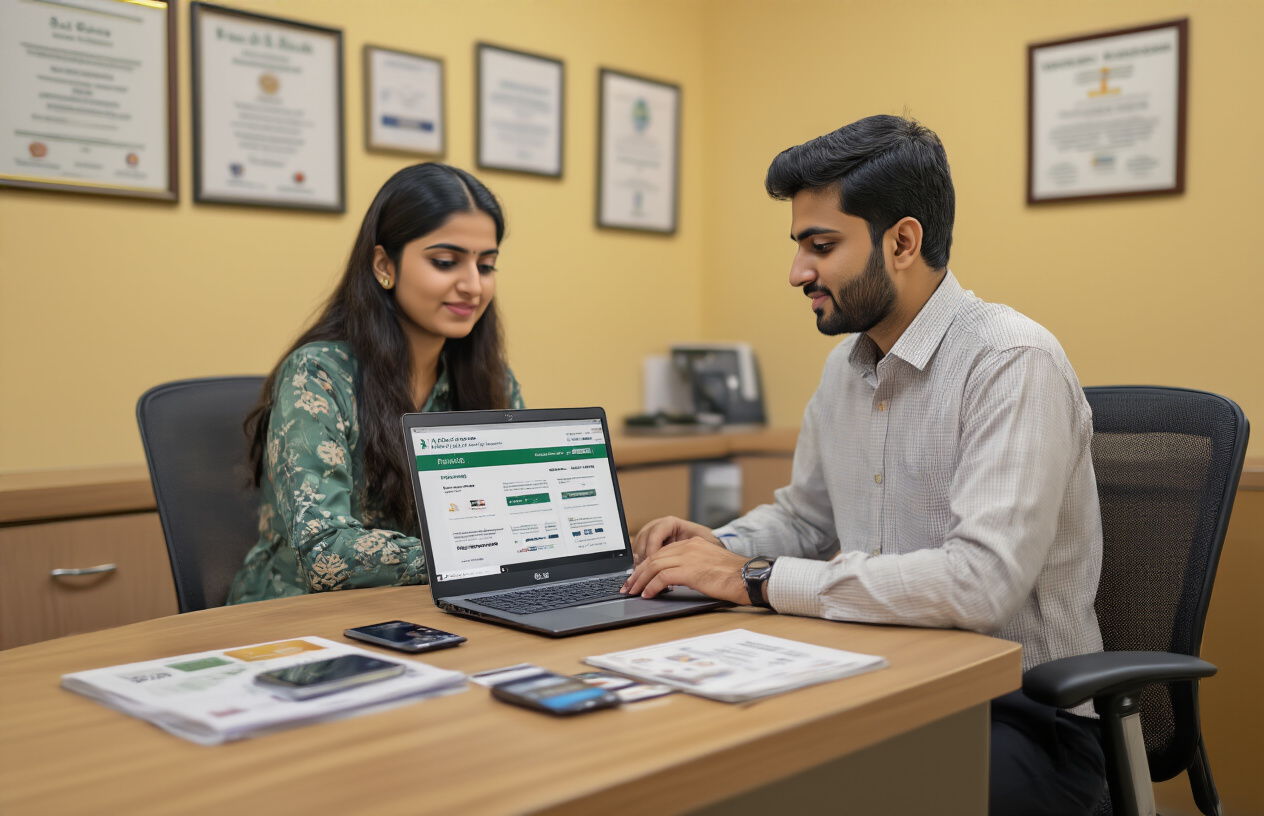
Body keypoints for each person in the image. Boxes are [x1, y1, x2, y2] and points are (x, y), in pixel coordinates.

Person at [622, 116, 1107, 815]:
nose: (797, 272)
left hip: (1023, 716)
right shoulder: (844, 368)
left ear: (902, 242)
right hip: (878, 681)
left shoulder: (1010, 360)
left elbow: (980, 584)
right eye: (799, 247)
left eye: (821, 246)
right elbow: (806, 518)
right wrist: (713, 550)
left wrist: (753, 580)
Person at [228, 163, 523, 604]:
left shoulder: (491, 378)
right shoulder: (318, 375)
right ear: (385, 264)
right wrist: (476, 556)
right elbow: (323, 551)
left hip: (430, 609)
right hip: (294, 622)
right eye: (446, 262)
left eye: (487, 265)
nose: (473, 286)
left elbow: (516, 516)